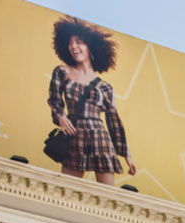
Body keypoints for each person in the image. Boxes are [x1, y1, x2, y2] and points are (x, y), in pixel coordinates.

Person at [47, 18, 136, 187]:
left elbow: (114, 122)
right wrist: (60, 116)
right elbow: (54, 100)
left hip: (100, 138)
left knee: (106, 197)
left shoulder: (105, 87)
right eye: (70, 43)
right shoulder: (62, 72)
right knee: (66, 192)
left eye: (79, 42)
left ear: (91, 48)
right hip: (74, 136)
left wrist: (126, 156)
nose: (74, 47)